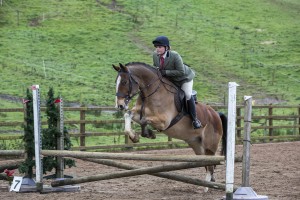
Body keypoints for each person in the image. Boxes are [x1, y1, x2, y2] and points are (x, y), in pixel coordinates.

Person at [152, 36, 202, 129]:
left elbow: (181, 71)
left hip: (184, 78)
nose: (157, 49)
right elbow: (156, 67)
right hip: (171, 79)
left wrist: (165, 72)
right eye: (156, 47)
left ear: (166, 47)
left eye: (160, 47)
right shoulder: (155, 55)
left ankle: (195, 120)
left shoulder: (174, 55)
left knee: (187, 94)